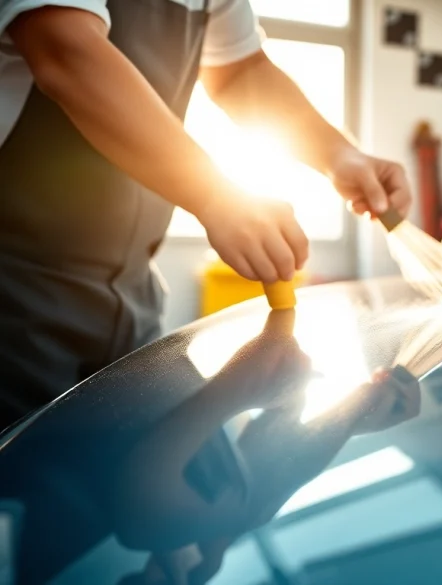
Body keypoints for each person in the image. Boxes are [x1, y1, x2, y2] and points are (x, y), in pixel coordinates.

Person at [0, 0, 412, 429]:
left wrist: (338, 154)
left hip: (131, 298)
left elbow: (239, 70)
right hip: (13, 300)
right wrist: (215, 195)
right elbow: (64, 47)